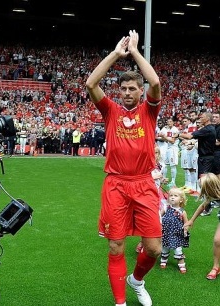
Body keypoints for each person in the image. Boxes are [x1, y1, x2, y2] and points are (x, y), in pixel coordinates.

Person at [86, 30, 162, 306]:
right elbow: (91, 83)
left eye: (132, 89)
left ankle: (136, 281)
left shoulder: (149, 110)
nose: (127, 93)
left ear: (140, 92)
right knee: (116, 245)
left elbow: (154, 80)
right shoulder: (110, 111)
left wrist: (136, 52)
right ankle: (120, 303)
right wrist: (117, 54)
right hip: (116, 185)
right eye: (123, 89)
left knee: (153, 249)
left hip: (144, 184)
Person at [184, 173, 220, 280]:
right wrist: (191, 220)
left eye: (202, 188)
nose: (201, 191)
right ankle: (215, 267)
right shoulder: (211, 196)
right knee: (217, 241)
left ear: (210, 187)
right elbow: (203, 205)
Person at [159, 187, 189, 274]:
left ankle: (182, 265)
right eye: (170, 195)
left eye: (175, 196)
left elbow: (186, 223)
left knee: (178, 250)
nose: (172, 197)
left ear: (181, 200)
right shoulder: (165, 208)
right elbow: (159, 217)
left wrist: (185, 231)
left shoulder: (182, 212)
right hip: (166, 233)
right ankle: (163, 261)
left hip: (176, 234)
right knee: (164, 248)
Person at [158, 117, 180, 188]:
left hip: (173, 149)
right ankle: (164, 179)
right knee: (165, 164)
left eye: (170, 121)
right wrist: (164, 137)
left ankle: (173, 182)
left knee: (173, 165)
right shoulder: (165, 129)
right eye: (168, 121)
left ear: (173, 122)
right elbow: (160, 136)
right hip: (167, 148)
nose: (169, 123)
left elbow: (172, 141)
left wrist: (164, 136)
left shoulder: (175, 130)